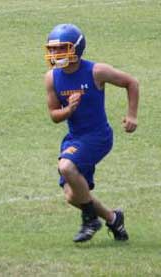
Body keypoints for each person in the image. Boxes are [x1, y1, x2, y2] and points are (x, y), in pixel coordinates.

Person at [44, 23, 139, 242]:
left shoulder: (96, 71)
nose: (55, 54)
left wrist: (132, 115)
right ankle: (113, 218)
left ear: (76, 49)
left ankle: (90, 220)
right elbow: (54, 115)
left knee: (66, 166)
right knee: (72, 195)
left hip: (98, 136)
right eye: (52, 49)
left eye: (61, 48)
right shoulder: (51, 77)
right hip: (74, 138)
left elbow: (131, 82)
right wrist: (68, 109)